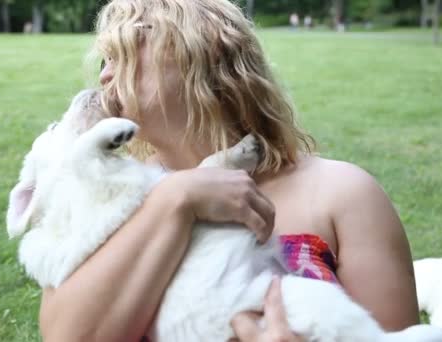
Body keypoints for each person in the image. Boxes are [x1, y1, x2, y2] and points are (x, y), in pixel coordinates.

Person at [39, 0, 420, 341]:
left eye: (124, 53)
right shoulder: (109, 197)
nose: (105, 76)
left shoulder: (342, 194)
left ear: (203, 55)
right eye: (105, 62)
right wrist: (179, 198)